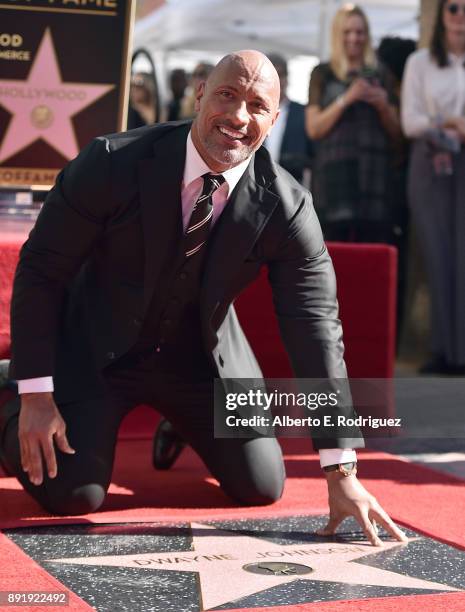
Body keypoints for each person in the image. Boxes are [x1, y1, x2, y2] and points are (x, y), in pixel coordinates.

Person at [0, 50, 406, 547]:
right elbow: (42, 270)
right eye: (227, 94)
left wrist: (341, 470)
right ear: (199, 95)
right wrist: (35, 395)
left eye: (257, 105)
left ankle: (183, 423)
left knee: (261, 486)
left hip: (202, 360)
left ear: (274, 119)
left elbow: (315, 324)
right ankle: (6, 399)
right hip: (95, 351)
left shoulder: (288, 205)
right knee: (73, 495)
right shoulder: (111, 162)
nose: (238, 116)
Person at [401, 0, 465, 375]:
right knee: (437, 257)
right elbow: (411, 122)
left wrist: (448, 122)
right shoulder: (420, 62)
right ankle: (442, 349)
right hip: (430, 163)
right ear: (442, 15)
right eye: (454, 8)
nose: (461, 16)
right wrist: (450, 124)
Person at [306, 4, 402, 242]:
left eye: (359, 32)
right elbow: (314, 128)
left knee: (373, 254)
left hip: (375, 180)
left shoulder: (382, 74)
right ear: (338, 35)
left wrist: (382, 104)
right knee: (334, 253)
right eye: (348, 32)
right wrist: (346, 98)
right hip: (334, 181)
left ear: (367, 35)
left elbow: (399, 134)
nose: (354, 38)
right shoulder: (323, 73)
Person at [263, 53, 313, 185]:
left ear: (287, 78)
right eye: (272, 75)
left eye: (280, 74)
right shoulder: (251, 112)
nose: (277, 80)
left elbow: (312, 156)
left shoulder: (302, 112)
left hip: (292, 186)